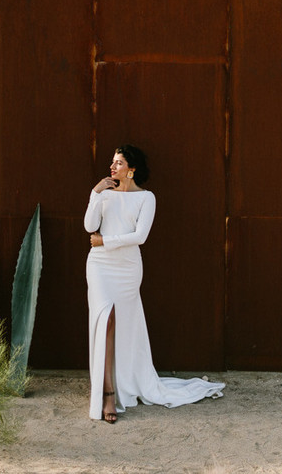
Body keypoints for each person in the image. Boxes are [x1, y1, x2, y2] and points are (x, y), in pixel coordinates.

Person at [84, 144, 225, 423]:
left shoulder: (146, 198)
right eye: (112, 162)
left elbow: (140, 236)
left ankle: (120, 386)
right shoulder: (104, 195)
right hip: (99, 266)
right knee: (105, 319)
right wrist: (95, 193)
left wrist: (105, 241)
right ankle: (107, 394)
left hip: (126, 268)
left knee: (122, 324)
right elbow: (90, 226)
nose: (113, 167)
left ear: (131, 169)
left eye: (119, 163)